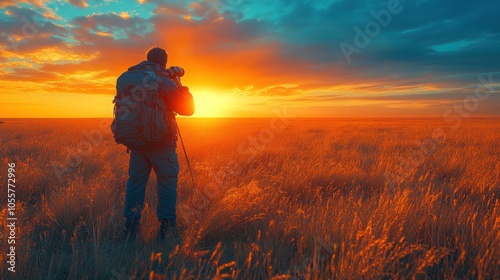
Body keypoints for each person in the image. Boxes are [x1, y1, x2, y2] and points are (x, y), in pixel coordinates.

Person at [122, 47, 194, 241]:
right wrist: (181, 86)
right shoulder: (162, 81)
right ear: (164, 62)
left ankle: (131, 228)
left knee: (135, 183)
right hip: (162, 142)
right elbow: (188, 109)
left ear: (147, 60)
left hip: (137, 142)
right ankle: (166, 228)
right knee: (167, 183)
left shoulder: (132, 77)